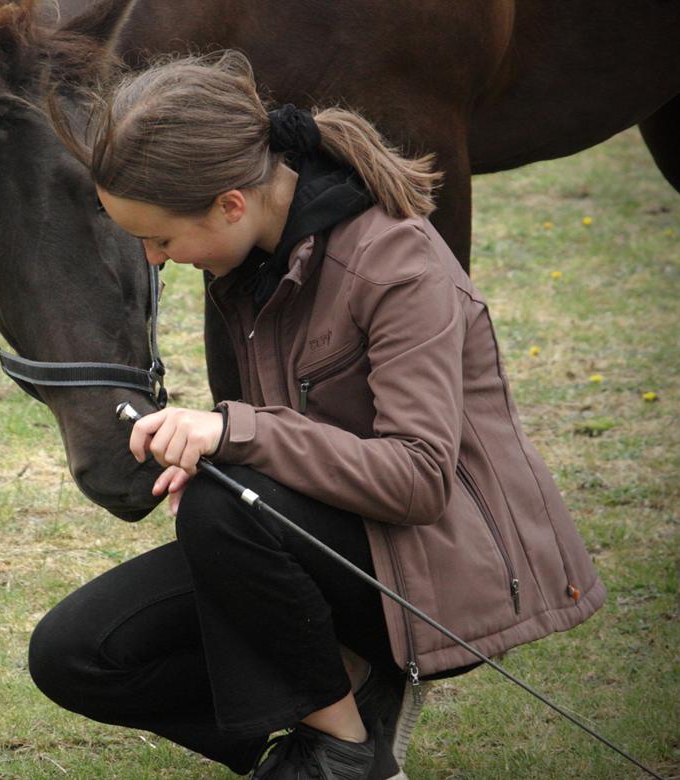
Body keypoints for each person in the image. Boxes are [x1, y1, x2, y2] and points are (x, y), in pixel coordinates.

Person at [30, 51, 605, 779]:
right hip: (330, 543)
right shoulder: (250, 258)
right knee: (77, 654)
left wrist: (237, 435)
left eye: (163, 239)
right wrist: (225, 453)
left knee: (220, 505)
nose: (154, 260)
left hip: (436, 576)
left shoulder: (396, 265)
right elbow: (286, 450)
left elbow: (419, 479)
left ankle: (343, 750)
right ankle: (352, 693)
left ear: (230, 204)